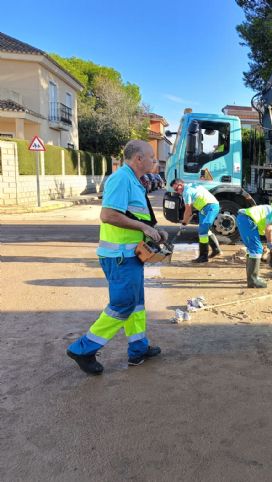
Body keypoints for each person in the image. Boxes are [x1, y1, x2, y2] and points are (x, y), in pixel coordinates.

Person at [67, 140, 167, 375]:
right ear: (138, 159)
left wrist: (155, 228)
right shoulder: (122, 178)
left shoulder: (134, 180)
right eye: (151, 156)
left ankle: (138, 349)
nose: (154, 161)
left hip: (130, 255)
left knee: (136, 304)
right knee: (123, 305)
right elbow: (108, 214)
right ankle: (83, 348)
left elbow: (135, 214)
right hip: (119, 256)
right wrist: (143, 229)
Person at [236, 205, 272, 288]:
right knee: (256, 249)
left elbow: (271, 231)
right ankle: (253, 280)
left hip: (245, 219)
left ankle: (252, 278)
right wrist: (269, 242)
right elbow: (268, 229)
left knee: (252, 249)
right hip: (247, 219)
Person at [170, 179, 222, 263]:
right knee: (205, 230)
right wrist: (186, 220)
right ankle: (216, 250)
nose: (178, 192)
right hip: (203, 209)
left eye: (176, 189)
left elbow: (188, 210)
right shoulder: (190, 185)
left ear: (180, 185)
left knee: (202, 231)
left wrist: (184, 221)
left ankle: (203, 257)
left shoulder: (186, 192)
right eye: (175, 191)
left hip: (210, 207)